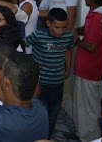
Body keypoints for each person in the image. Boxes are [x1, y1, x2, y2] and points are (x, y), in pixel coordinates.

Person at [25, 8, 74, 138]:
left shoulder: (67, 37)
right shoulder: (38, 35)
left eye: (64, 28)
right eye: (57, 27)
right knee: (41, 115)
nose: (61, 31)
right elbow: (23, 45)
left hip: (58, 84)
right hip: (40, 85)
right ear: (48, 23)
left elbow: (68, 50)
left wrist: (68, 68)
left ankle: (46, 138)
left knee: (53, 116)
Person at [72, 0, 102, 141]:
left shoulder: (99, 16)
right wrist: (79, 30)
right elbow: (89, 31)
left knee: (89, 109)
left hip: (91, 72)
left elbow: (92, 46)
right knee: (82, 108)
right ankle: (82, 135)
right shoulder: (94, 13)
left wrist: (77, 41)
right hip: (85, 70)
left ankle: (89, 138)